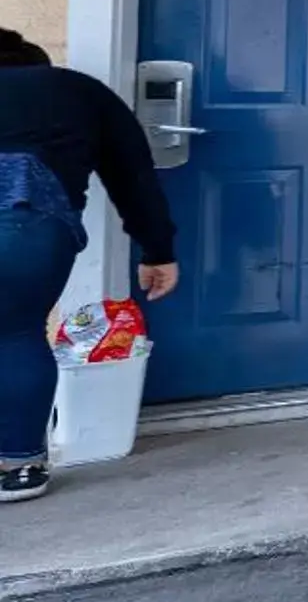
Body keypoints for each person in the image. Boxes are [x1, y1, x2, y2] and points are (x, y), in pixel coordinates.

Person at [0, 28, 176, 502]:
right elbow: (132, 173)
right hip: (27, 223)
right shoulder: (77, 90)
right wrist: (157, 250)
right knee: (15, 334)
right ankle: (18, 466)